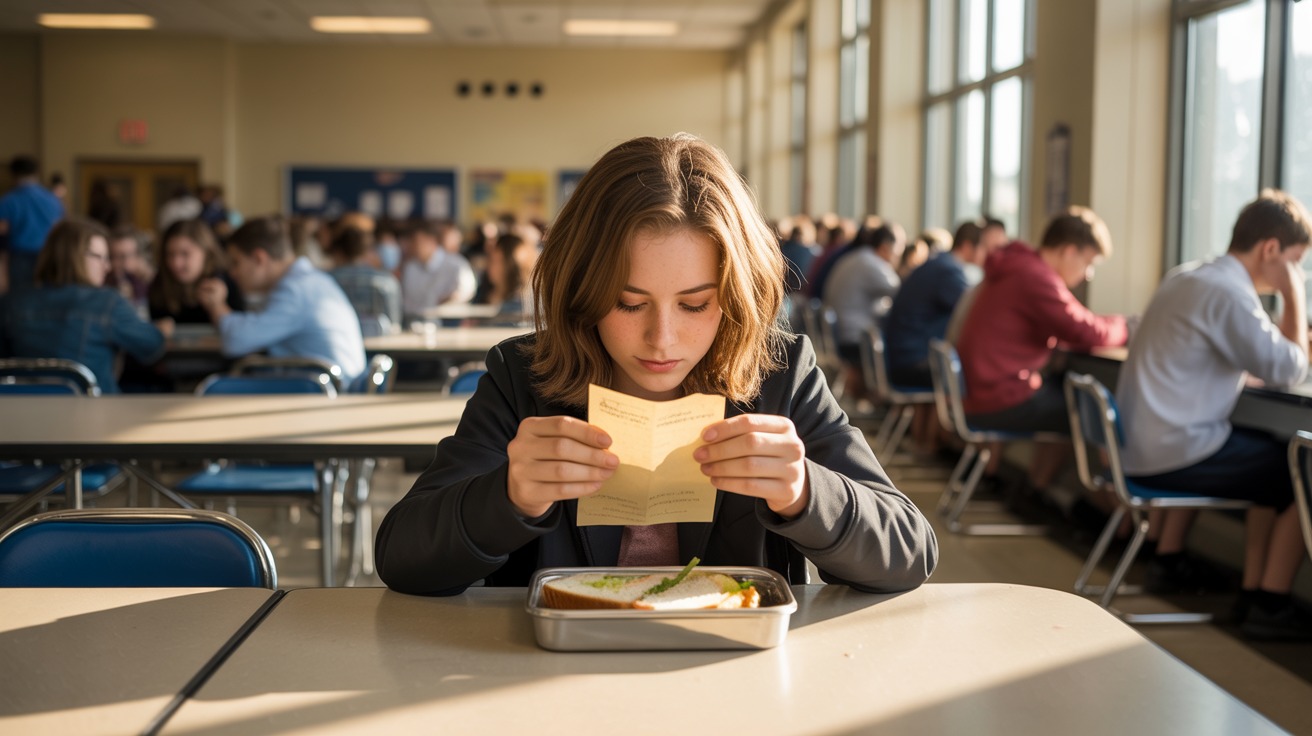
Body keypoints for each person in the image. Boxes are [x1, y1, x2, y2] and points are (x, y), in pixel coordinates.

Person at [374, 134, 937, 596]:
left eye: (694, 305)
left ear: (737, 296)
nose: (661, 338)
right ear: (581, 291)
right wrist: (508, 497)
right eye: (629, 303)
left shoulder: (779, 374)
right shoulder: (523, 376)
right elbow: (402, 558)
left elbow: (910, 552)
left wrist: (807, 491)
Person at [1117, 189, 1311, 640]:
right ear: (1270, 250)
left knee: (1270, 462)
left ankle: (1249, 588)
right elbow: (1288, 368)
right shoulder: (1228, 293)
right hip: (1174, 450)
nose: (1296, 271)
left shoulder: (1188, 276)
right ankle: (1270, 600)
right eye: (1295, 261)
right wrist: (1294, 294)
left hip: (1145, 441)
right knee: (1299, 471)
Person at [955, 207, 1127, 492]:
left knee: (1067, 397)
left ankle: (1036, 487)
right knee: (1093, 410)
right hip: (997, 397)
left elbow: (1068, 324)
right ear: (1070, 251)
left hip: (979, 390)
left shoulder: (1019, 266)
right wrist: (1128, 328)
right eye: (1089, 262)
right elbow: (1084, 330)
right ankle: (1118, 512)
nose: (1088, 274)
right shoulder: (1036, 277)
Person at [0, 218, 168, 393]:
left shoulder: (10, 303)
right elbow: (151, 347)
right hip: (96, 415)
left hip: (25, 414)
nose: (108, 266)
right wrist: (161, 331)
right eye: (99, 257)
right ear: (75, 256)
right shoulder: (107, 303)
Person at [196, 215, 366, 385]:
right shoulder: (312, 279)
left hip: (327, 394)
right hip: (336, 386)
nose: (232, 273)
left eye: (236, 262)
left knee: (217, 386)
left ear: (259, 258)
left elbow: (235, 341)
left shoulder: (296, 290)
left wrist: (216, 305)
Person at [821, 222, 906, 401]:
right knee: (903, 350)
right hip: (854, 338)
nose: (898, 257)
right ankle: (879, 401)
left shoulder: (855, 258)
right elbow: (903, 295)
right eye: (899, 251)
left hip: (839, 333)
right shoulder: (873, 265)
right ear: (885, 247)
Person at [149, 219, 244, 324]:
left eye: (185, 254)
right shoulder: (160, 284)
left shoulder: (229, 281)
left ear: (206, 252)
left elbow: (240, 330)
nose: (176, 263)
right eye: (170, 254)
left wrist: (217, 305)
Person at [0, 155, 65, 296]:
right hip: (48, 255)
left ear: (14, 175)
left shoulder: (9, 200)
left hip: (20, 257)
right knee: (45, 296)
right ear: (36, 174)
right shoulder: (52, 199)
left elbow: (3, 230)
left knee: (20, 298)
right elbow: (60, 226)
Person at [399, 218, 477, 322]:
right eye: (413, 242)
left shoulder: (457, 265)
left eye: (419, 241)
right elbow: (407, 303)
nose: (415, 246)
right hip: (414, 323)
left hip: (449, 323)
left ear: (432, 241)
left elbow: (465, 293)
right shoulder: (410, 267)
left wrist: (450, 300)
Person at [328, 224, 402, 331]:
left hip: (340, 343)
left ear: (339, 252)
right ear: (367, 251)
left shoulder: (327, 281)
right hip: (378, 345)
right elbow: (395, 326)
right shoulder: (387, 282)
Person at [105, 226, 152, 314]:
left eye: (129, 255)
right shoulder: (105, 286)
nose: (125, 262)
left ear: (139, 256)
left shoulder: (150, 282)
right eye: (118, 256)